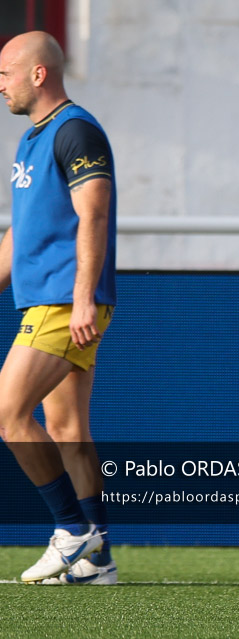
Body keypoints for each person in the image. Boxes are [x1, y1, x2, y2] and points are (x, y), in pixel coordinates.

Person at [0, 31, 117, 584]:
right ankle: (98, 560)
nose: (0, 84)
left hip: (62, 302)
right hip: (48, 300)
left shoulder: (74, 130)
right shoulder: (32, 140)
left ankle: (72, 530)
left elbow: (93, 213)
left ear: (38, 74)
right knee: (67, 427)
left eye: (6, 72)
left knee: (6, 412)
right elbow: (20, 232)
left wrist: (82, 299)